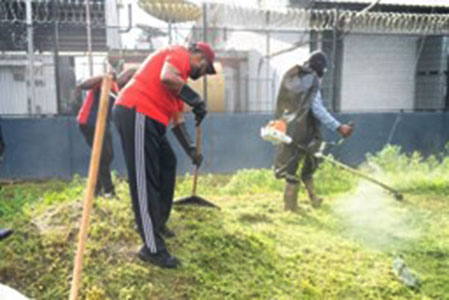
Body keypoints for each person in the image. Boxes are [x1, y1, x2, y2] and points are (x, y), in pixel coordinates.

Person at [113, 42, 215, 268]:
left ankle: (157, 223)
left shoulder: (180, 82)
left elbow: (178, 123)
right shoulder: (178, 54)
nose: (204, 73)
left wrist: (191, 150)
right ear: (198, 56)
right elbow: (166, 77)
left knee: (168, 163)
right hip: (137, 111)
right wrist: (196, 100)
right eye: (206, 68)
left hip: (151, 121)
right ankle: (152, 248)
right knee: (144, 180)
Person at [274, 50, 354, 211]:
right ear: (321, 69)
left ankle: (313, 198)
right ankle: (290, 208)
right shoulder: (312, 81)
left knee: (308, 165)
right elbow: (317, 109)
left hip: (288, 128)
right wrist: (338, 127)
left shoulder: (298, 78)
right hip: (302, 131)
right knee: (294, 169)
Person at [76, 66, 136, 197]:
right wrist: (103, 76)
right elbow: (83, 85)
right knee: (103, 155)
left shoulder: (121, 91)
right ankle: (108, 190)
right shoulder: (107, 81)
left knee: (106, 155)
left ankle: (96, 189)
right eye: (129, 79)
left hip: (103, 124)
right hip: (89, 122)